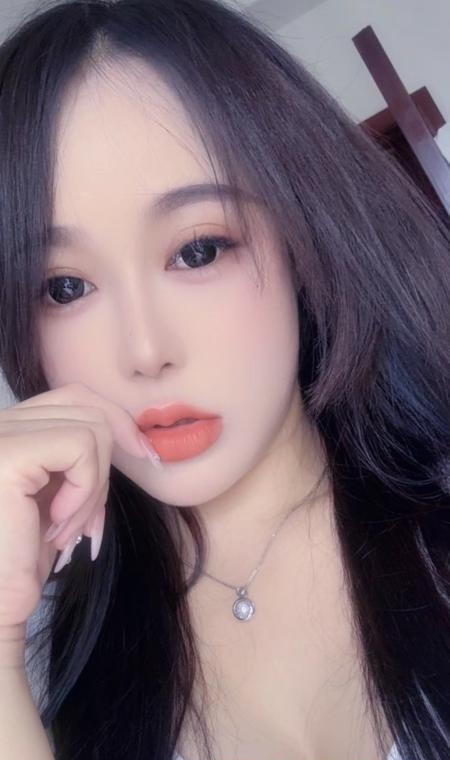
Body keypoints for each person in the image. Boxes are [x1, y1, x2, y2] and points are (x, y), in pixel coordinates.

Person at [0, 1, 448, 758]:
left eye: (199, 250)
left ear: (303, 236)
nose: (145, 351)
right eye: (65, 288)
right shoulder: (33, 648)